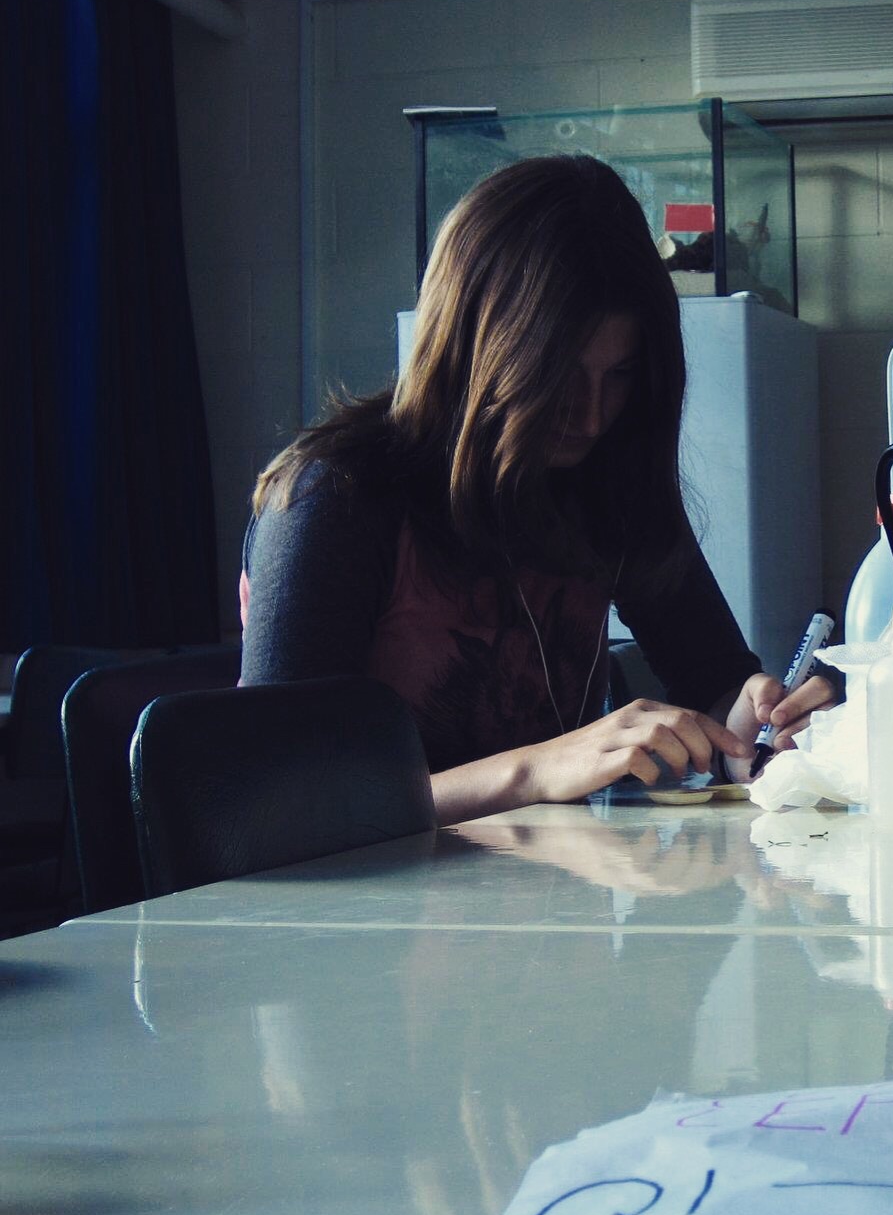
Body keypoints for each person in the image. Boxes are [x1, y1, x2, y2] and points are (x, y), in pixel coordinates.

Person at [239, 154, 834, 825]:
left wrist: (755, 718)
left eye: (619, 376)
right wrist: (536, 768)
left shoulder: (604, 477)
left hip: (549, 906)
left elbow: (714, 676)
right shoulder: (335, 498)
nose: (588, 417)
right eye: (557, 376)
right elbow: (276, 802)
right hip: (365, 917)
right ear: (477, 349)